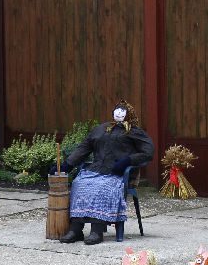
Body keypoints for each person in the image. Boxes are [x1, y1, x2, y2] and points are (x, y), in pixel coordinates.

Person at [58, 99, 154, 245]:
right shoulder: (102, 129)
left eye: (123, 111)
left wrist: (127, 161)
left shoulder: (134, 132)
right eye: (117, 110)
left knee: (102, 187)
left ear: (129, 114)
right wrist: (67, 165)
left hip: (118, 174)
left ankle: (97, 230)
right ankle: (76, 228)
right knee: (79, 183)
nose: (119, 113)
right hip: (96, 169)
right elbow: (83, 148)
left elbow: (148, 152)